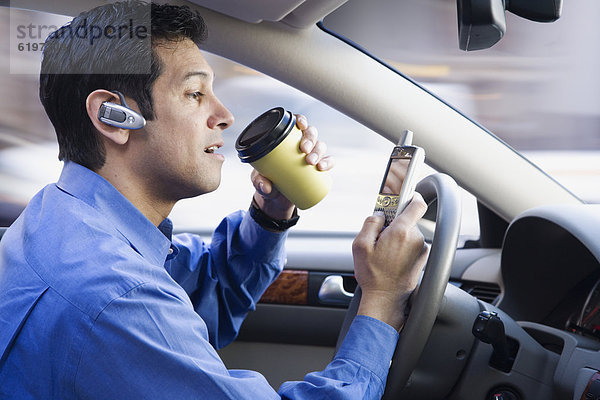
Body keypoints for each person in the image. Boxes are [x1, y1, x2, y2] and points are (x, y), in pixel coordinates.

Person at [0, 2, 428, 399]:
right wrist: (382, 300)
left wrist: (271, 213)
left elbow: (208, 293)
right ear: (112, 117)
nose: (225, 115)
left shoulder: (64, 220)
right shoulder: (115, 296)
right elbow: (139, 301)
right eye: (194, 94)